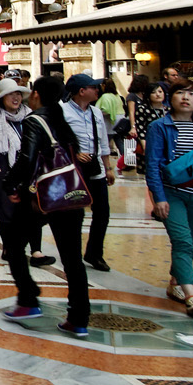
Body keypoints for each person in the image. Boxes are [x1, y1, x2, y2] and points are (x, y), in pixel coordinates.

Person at [2, 75, 94, 337]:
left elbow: (27, 158)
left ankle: (28, 299)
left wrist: (11, 185)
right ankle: (78, 318)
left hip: (41, 199)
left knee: (14, 243)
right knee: (72, 258)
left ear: (37, 95)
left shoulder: (35, 119)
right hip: (70, 195)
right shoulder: (63, 121)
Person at [144, 84, 193, 317]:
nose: (186, 98)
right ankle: (191, 297)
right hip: (171, 192)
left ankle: (175, 283)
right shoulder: (159, 126)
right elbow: (152, 165)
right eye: (180, 93)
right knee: (183, 241)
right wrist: (159, 198)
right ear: (170, 98)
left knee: (192, 244)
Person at [0, 82, 54, 267]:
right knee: (6, 208)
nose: (15, 98)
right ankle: (8, 246)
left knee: (33, 205)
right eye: (9, 95)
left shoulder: (31, 116)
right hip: (5, 165)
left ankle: (36, 251)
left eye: (17, 94)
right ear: (1, 99)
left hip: (30, 166)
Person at [61, 74, 117, 270]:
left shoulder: (95, 112)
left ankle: (94, 253)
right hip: (74, 169)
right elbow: (57, 140)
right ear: (81, 91)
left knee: (102, 212)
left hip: (96, 168)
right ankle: (72, 253)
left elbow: (102, 142)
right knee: (75, 214)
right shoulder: (63, 111)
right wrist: (74, 153)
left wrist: (107, 167)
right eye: (93, 87)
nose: (97, 89)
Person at [132, 83, 167, 173]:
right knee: (150, 173)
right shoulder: (142, 109)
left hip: (165, 145)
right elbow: (140, 129)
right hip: (149, 143)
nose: (158, 94)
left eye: (160, 91)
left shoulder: (168, 110)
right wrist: (145, 147)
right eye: (153, 92)